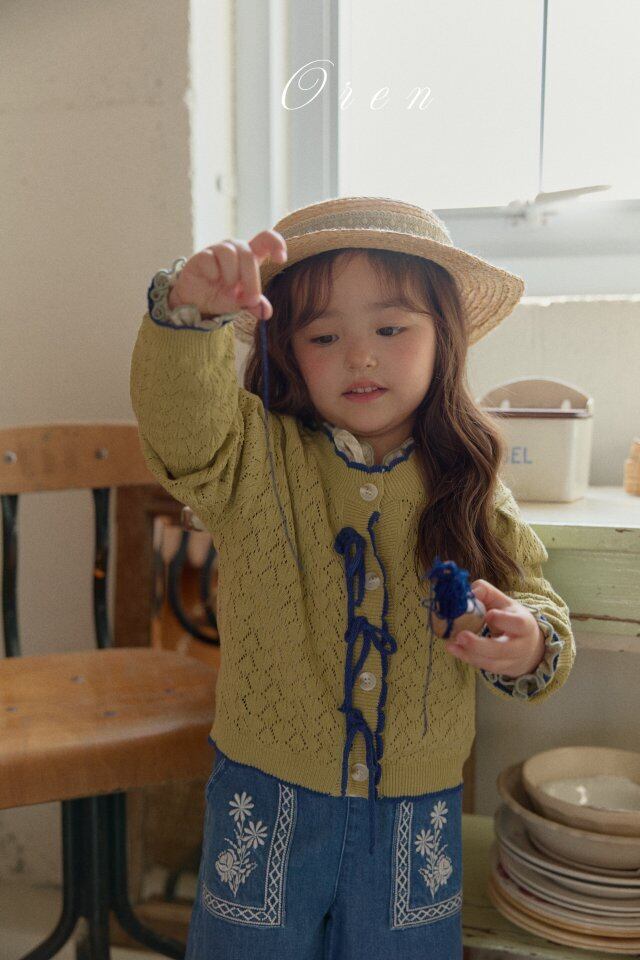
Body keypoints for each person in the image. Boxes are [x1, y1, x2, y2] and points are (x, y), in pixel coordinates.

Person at [130, 195, 575, 960]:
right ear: (288, 351)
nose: (360, 356)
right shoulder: (252, 457)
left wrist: (530, 642)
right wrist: (187, 318)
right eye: (324, 336)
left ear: (444, 339)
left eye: (391, 329)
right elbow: (182, 429)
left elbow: (533, 596)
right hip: (265, 800)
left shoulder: (469, 485)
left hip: (414, 817)